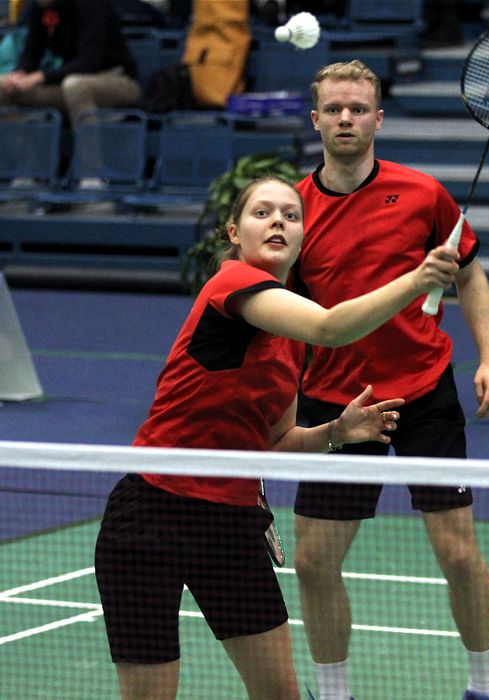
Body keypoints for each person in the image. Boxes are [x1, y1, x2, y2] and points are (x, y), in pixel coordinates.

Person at [94, 175, 459, 700]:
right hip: (153, 514)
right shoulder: (232, 284)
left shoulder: (288, 338)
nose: (278, 222)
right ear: (234, 232)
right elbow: (333, 326)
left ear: (303, 235)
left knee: (280, 694)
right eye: (262, 213)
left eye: (290, 215)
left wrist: (336, 432)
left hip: (231, 524)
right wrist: (417, 279)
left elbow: (275, 441)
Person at [292, 60, 489, 700]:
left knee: (458, 553)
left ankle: (484, 686)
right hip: (336, 402)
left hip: (422, 391)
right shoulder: (294, 211)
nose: (346, 119)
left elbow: (469, 273)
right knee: (313, 562)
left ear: (378, 118)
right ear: (316, 121)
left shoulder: (422, 194)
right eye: (334, 109)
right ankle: (334, 694)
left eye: (358, 108)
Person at [0, 0, 141, 129]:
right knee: (4, 86)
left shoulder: (92, 5)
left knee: (76, 86)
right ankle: (25, 155)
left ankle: (91, 156)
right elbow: (32, 53)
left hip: (117, 79)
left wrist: (40, 77)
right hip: (66, 81)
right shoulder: (39, 7)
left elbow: (88, 62)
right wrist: (20, 73)